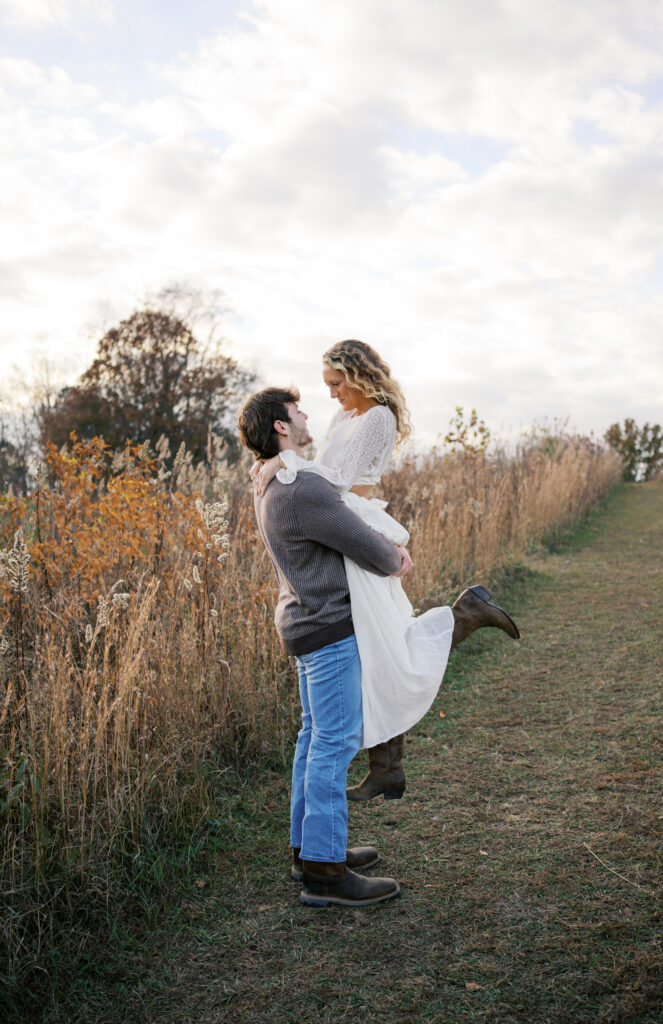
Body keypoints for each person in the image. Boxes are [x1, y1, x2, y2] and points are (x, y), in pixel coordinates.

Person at [252, 340, 520, 802]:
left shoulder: (378, 418)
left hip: (351, 520)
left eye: (337, 383)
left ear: (358, 375)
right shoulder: (344, 417)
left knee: (386, 645)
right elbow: (320, 476)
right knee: (382, 643)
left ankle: (465, 614)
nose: (331, 394)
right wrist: (285, 467)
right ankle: (387, 767)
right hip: (335, 520)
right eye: (327, 386)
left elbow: (336, 483)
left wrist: (283, 464)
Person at [238, 385, 409, 908]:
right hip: (329, 625)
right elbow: (359, 540)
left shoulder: (270, 481)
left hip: (304, 621)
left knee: (314, 738)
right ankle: (326, 871)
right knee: (333, 742)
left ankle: (309, 849)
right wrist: (396, 558)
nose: (309, 413)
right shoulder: (299, 487)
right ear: (281, 428)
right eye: (297, 410)